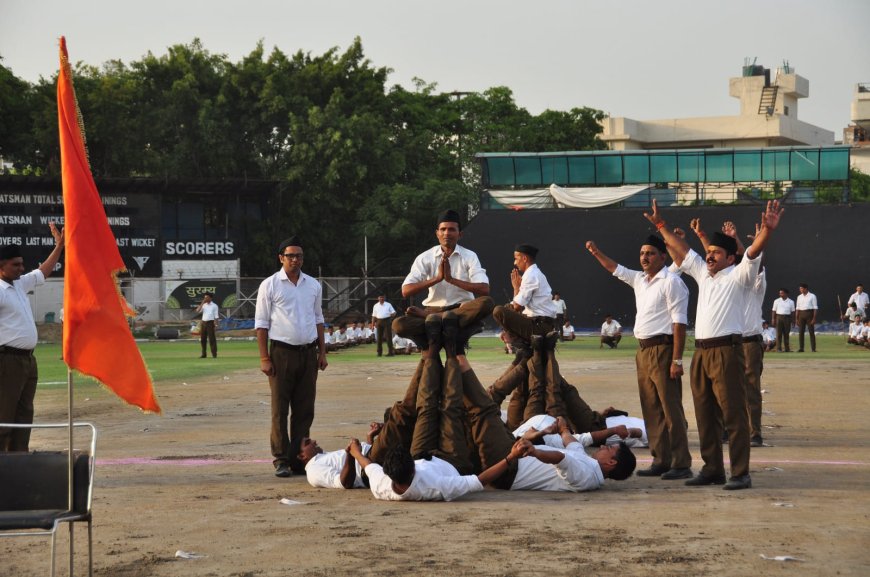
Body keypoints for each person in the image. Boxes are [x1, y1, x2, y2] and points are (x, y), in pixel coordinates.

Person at [644, 199, 785, 490]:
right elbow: (682, 250)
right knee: (705, 414)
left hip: (726, 352)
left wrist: (767, 231)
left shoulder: (739, 276)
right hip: (701, 352)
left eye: (715, 253)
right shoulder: (703, 275)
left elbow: (753, 251)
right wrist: (660, 225)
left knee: (733, 414)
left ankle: (740, 472)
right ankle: (712, 469)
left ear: (730, 258)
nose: (708, 257)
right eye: (708, 253)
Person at [585, 236, 692, 480]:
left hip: (663, 349)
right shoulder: (640, 280)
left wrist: (677, 360)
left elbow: (679, 323)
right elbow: (615, 268)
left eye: (651, 253)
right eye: (642, 252)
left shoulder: (671, 282)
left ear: (663, 257)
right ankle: (661, 460)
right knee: (652, 409)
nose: (644, 257)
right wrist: (596, 252)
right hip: (643, 351)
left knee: (671, 410)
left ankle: (681, 463)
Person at [255, 236, 328, 478]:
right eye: (290, 256)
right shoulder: (270, 284)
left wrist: (322, 352)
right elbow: (262, 324)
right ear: (281, 258)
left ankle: (299, 457)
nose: (295, 260)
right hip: (281, 353)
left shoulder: (313, 285)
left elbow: (318, 319)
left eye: (299, 256)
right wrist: (264, 357)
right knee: (280, 408)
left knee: (305, 409)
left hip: (308, 353)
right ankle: (281, 458)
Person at [0, 223, 65, 452]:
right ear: (1, 267)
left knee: (25, 412)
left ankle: (19, 458)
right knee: (4, 413)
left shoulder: (19, 284)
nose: (21, 268)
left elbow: (43, 271)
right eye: (15, 265)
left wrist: (59, 246)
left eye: (21, 264)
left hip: (28, 360)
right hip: (7, 360)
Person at [393, 209, 494, 350]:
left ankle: (435, 319)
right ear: (437, 233)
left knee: (487, 303)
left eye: (452, 229)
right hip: (435, 310)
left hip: (460, 309)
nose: (447, 233)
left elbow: (484, 289)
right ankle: (439, 321)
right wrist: (437, 279)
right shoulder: (425, 257)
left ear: (460, 234)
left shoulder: (470, 256)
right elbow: (406, 290)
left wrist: (451, 279)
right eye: (443, 229)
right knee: (398, 324)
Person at [492, 244, 559, 351]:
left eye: (516, 259)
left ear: (524, 258)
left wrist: (516, 288)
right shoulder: (534, 273)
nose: (514, 263)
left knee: (498, 311)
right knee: (507, 307)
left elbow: (517, 307)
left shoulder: (530, 275)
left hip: (539, 326)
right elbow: (516, 307)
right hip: (539, 322)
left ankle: (514, 339)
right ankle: (514, 338)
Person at [795, 283, 818, 353]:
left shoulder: (812, 296)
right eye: (800, 289)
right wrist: (796, 318)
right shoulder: (799, 297)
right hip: (801, 314)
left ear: (805, 289)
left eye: (801, 288)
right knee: (801, 332)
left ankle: (813, 348)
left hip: (809, 313)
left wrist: (814, 318)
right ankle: (801, 348)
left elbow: (815, 308)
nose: (800, 290)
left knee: (811, 332)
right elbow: (797, 308)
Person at [195, 292, 219, 358]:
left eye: (207, 297)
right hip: (203, 323)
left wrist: (216, 325)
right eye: (204, 297)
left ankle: (214, 354)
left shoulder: (214, 306)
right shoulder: (204, 305)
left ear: (210, 298)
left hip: (210, 323)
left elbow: (216, 316)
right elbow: (197, 310)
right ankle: (204, 354)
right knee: (203, 339)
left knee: (212, 339)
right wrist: (202, 302)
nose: (205, 298)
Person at [771, 288, 795, 352]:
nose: (780, 294)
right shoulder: (776, 301)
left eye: (782, 293)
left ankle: (787, 349)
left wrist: (793, 321)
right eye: (780, 293)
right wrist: (773, 319)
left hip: (787, 318)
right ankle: (779, 348)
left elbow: (792, 312)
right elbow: (774, 310)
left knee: (786, 334)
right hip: (779, 317)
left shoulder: (791, 302)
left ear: (786, 294)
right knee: (778, 334)